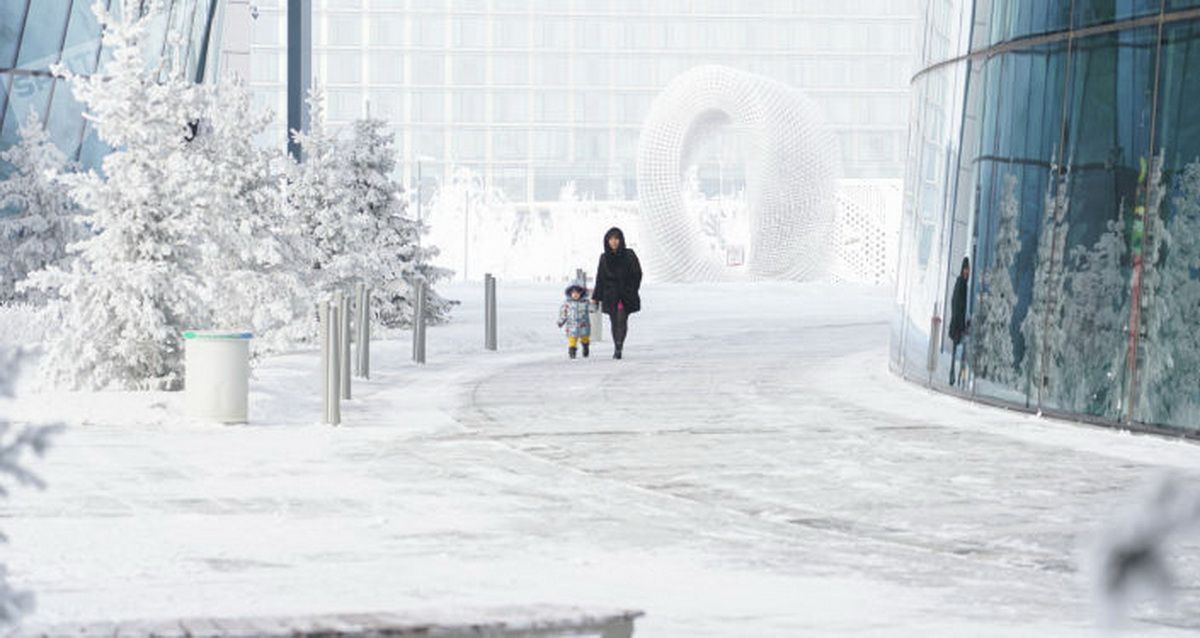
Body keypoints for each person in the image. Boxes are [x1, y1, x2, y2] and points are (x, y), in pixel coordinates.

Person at [591, 227, 642, 360]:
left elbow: (637, 273)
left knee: (622, 319)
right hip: (611, 295)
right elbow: (600, 278)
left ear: (621, 240)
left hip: (626, 294)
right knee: (614, 321)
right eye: (611, 239)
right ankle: (617, 345)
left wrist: (632, 289)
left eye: (616, 239)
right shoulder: (604, 258)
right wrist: (596, 297)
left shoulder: (629, 254)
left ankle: (619, 345)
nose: (613, 242)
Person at [948, 256, 970, 385]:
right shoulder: (960, 283)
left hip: (961, 325)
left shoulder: (965, 284)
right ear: (962, 270)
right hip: (957, 324)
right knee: (956, 353)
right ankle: (953, 376)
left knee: (962, 355)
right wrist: (958, 322)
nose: (967, 272)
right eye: (965, 269)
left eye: (968, 269)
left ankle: (960, 378)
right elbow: (955, 303)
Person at [557, 280, 591, 359]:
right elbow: (563, 313)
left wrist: (594, 304)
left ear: (581, 293)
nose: (575, 295)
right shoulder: (567, 304)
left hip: (584, 325)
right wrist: (561, 321)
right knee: (572, 339)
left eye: (577, 293)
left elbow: (592, 309)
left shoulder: (585, 302)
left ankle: (585, 346)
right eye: (573, 293)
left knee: (585, 337)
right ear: (570, 294)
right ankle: (572, 350)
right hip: (572, 325)